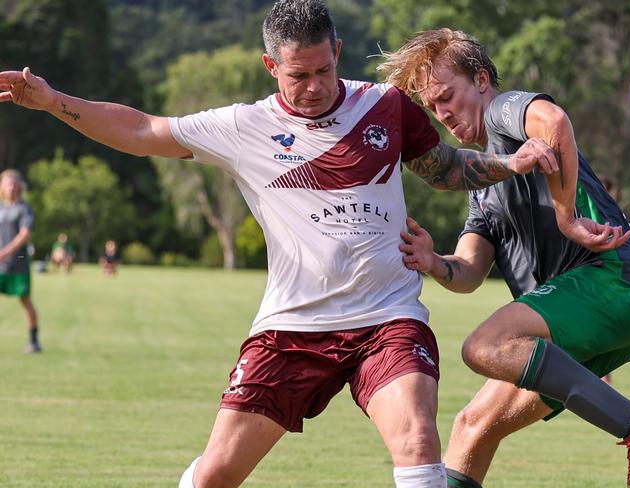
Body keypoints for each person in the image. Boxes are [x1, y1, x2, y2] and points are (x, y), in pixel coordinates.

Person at [0, 3, 560, 486]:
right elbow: (143, 130)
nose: (314, 86)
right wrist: (55, 103)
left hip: (387, 317)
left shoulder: (386, 107)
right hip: (292, 329)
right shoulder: (244, 127)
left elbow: (444, 169)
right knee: (217, 474)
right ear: (271, 66)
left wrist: (511, 162)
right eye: (298, 75)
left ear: (338, 50)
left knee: (418, 441)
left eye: (324, 68)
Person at [378, 28, 630, 488]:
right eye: (432, 106)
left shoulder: (505, 112)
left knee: (483, 346)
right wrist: (432, 261)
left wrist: (566, 216)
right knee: (473, 427)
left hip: (610, 284)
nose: (443, 113)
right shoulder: (483, 183)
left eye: (447, 96)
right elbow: (468, 272)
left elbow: (555, 121)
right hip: (573, 321)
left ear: (481, 80)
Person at [0, 169, 42, 353]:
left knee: (25, 300)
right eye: (8, 184)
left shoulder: (24, 209)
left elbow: (25, 234)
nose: (11, 188)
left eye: (14, 184)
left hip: (18, 263)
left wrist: (5, 252)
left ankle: (33, 341)